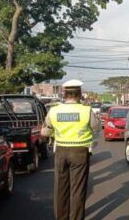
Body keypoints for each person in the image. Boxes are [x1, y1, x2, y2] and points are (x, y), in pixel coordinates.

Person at [41, 79, 100, 220]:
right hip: (80, 152)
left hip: (61, 151)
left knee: (60, 189)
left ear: (64, 93)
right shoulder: (86, 110)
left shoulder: (54, 110)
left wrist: (56, 132)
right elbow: (97, 127)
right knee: (77, 189)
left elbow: (45, 132)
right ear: (80, 94)